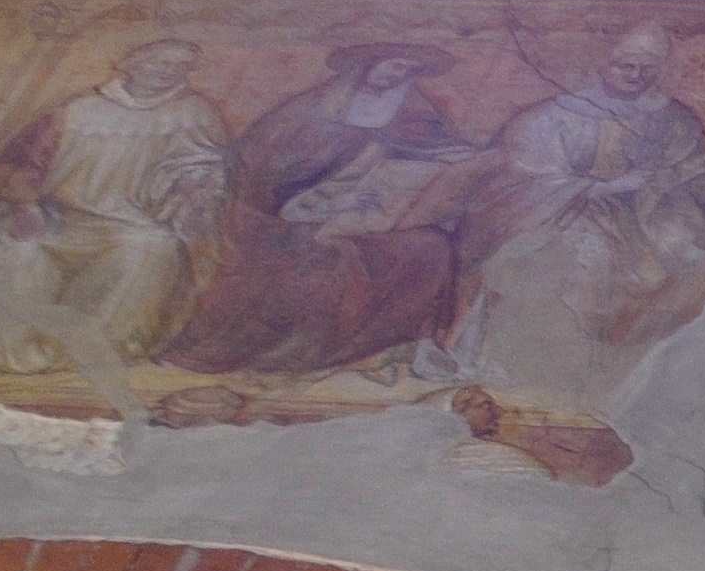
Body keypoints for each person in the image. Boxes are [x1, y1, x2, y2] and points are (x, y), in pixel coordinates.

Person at [438, 30, 705, 406]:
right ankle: (545, 382)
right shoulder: (555, 115)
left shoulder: (670, 116)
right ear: (606, 65)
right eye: (625, 66)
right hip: (564, 212)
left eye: (645, 69)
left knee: (701, 263)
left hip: (646, 217)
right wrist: (601, 187)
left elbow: (695, 166)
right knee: (580, 266)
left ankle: (640, 386)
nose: (634, 75)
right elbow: (522, 175)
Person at [0, 37, 234, 389]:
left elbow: (208, 173)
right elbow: (21, 164)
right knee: (3, 247)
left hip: (133, 226)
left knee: (149, 252)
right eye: (162, 62)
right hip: (59, 216)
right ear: (131, 61)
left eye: (181, 66)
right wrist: (26, 206)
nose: (170, 72)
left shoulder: (196, 115)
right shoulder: (80, 110)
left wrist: (194, 187)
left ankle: (85, 356)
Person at [164, 42, 485, 377]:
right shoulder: (309, 110)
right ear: (368, 65)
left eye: (408, 69)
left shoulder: (413, 111)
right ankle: (304, 354)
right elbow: (260, 170)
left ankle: (389, 350)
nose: (399, 75)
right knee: (318, 273)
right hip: (281, 221)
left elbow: (447, 150)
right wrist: (323, 204)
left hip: (369, 221)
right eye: (394, 65)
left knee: (431, 250)